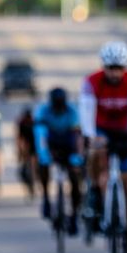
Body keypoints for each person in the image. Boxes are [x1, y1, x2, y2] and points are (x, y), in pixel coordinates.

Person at [81, 41, 127, 253]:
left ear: (125, 68)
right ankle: (95, 189)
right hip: (101, 130)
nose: (114, 73)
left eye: (119, 68)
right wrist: (90, 136)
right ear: (103, 66)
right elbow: (86, 111)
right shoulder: (92, 82)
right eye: (110, 68)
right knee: (95, 153)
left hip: (125, 132)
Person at [33, 87, 82, 230]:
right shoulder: (43, 111)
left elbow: (77, 136)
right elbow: (40, 136)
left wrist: (77, 156)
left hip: (68, 143)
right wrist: (44, 155)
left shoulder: (72, 111)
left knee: (75, 178)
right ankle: (46, 198)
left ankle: (74, 215)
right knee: (43, 165)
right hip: (51, 142)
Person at [16, 106, 37, 198]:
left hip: (34, 142)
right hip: (26, 142)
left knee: (35, 162)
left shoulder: (35, 122)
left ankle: (35, 179)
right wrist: (20, 151)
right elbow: (19, 137)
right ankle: (28, 180)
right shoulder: (22, 122)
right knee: (25, 162)